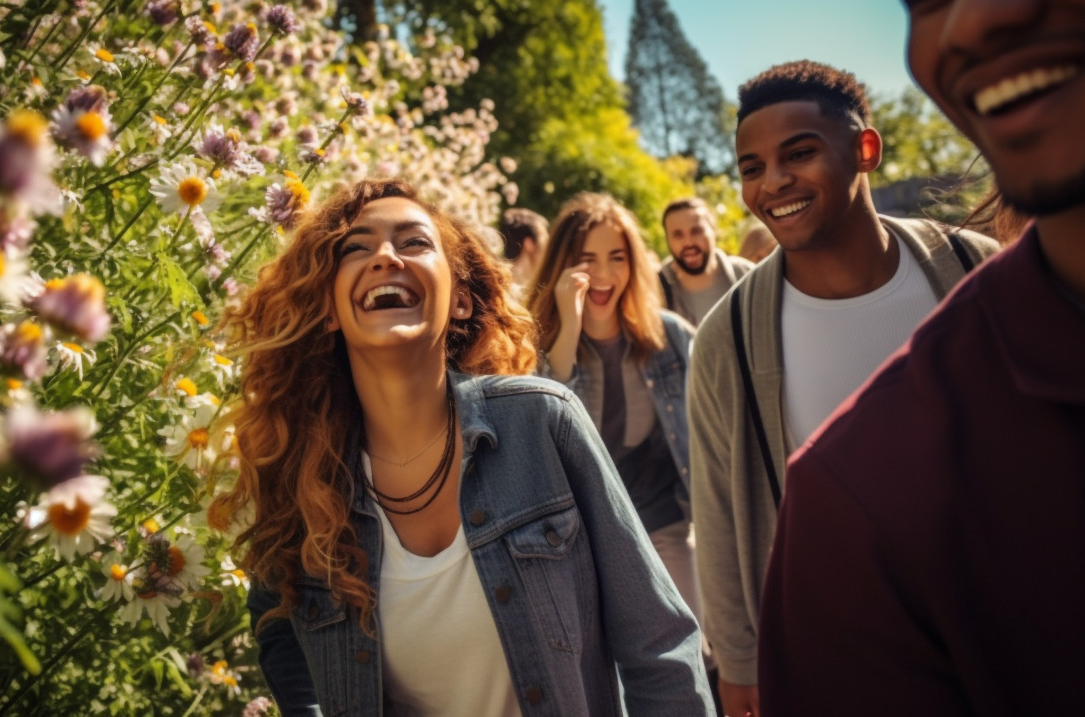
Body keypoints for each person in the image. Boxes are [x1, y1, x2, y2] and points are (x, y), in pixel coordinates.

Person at [225, 179, 714, 716]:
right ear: (329, 308)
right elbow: (284, 642)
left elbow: (659, 647)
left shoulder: (542, 420)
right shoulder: (300, 475)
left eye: (413, 242)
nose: (386, 256)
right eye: (356, 248)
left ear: (460, 299)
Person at [758, 3, 1085, 714]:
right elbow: (721, 488)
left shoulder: (961, 259)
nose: (970, 23)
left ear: (866, 151)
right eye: (926, 1)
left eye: (800, 153)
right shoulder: (850, 498)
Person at [686, 60, 1000, 717]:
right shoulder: (729, 337)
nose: (773, 182)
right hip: (846, 655)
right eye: (751, 167)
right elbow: (717, 509)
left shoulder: (978, 272)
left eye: (799, 153)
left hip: (1002, 609)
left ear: (865, 149)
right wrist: (740, 660)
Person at [525, 193, 707, 670]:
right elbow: (542, 419)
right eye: (587, 259)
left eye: (617, 257)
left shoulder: (671, 337)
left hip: (664, 520)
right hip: (579, 536)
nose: (603, 274)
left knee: (694, 652)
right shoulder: (531, 344)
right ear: (563, 264)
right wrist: (569, 322)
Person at [658, 197, 756, 327]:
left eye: (696, 231)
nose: (688, 242)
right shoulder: (654, 290)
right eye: (678, 235)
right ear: (668, 240)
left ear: (713, 230)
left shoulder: (749, 276)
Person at [498, 207, 549, 295]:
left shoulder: (497, 284)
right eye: (544, 239)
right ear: (529, 243)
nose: (547, 248)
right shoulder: (509, 293)